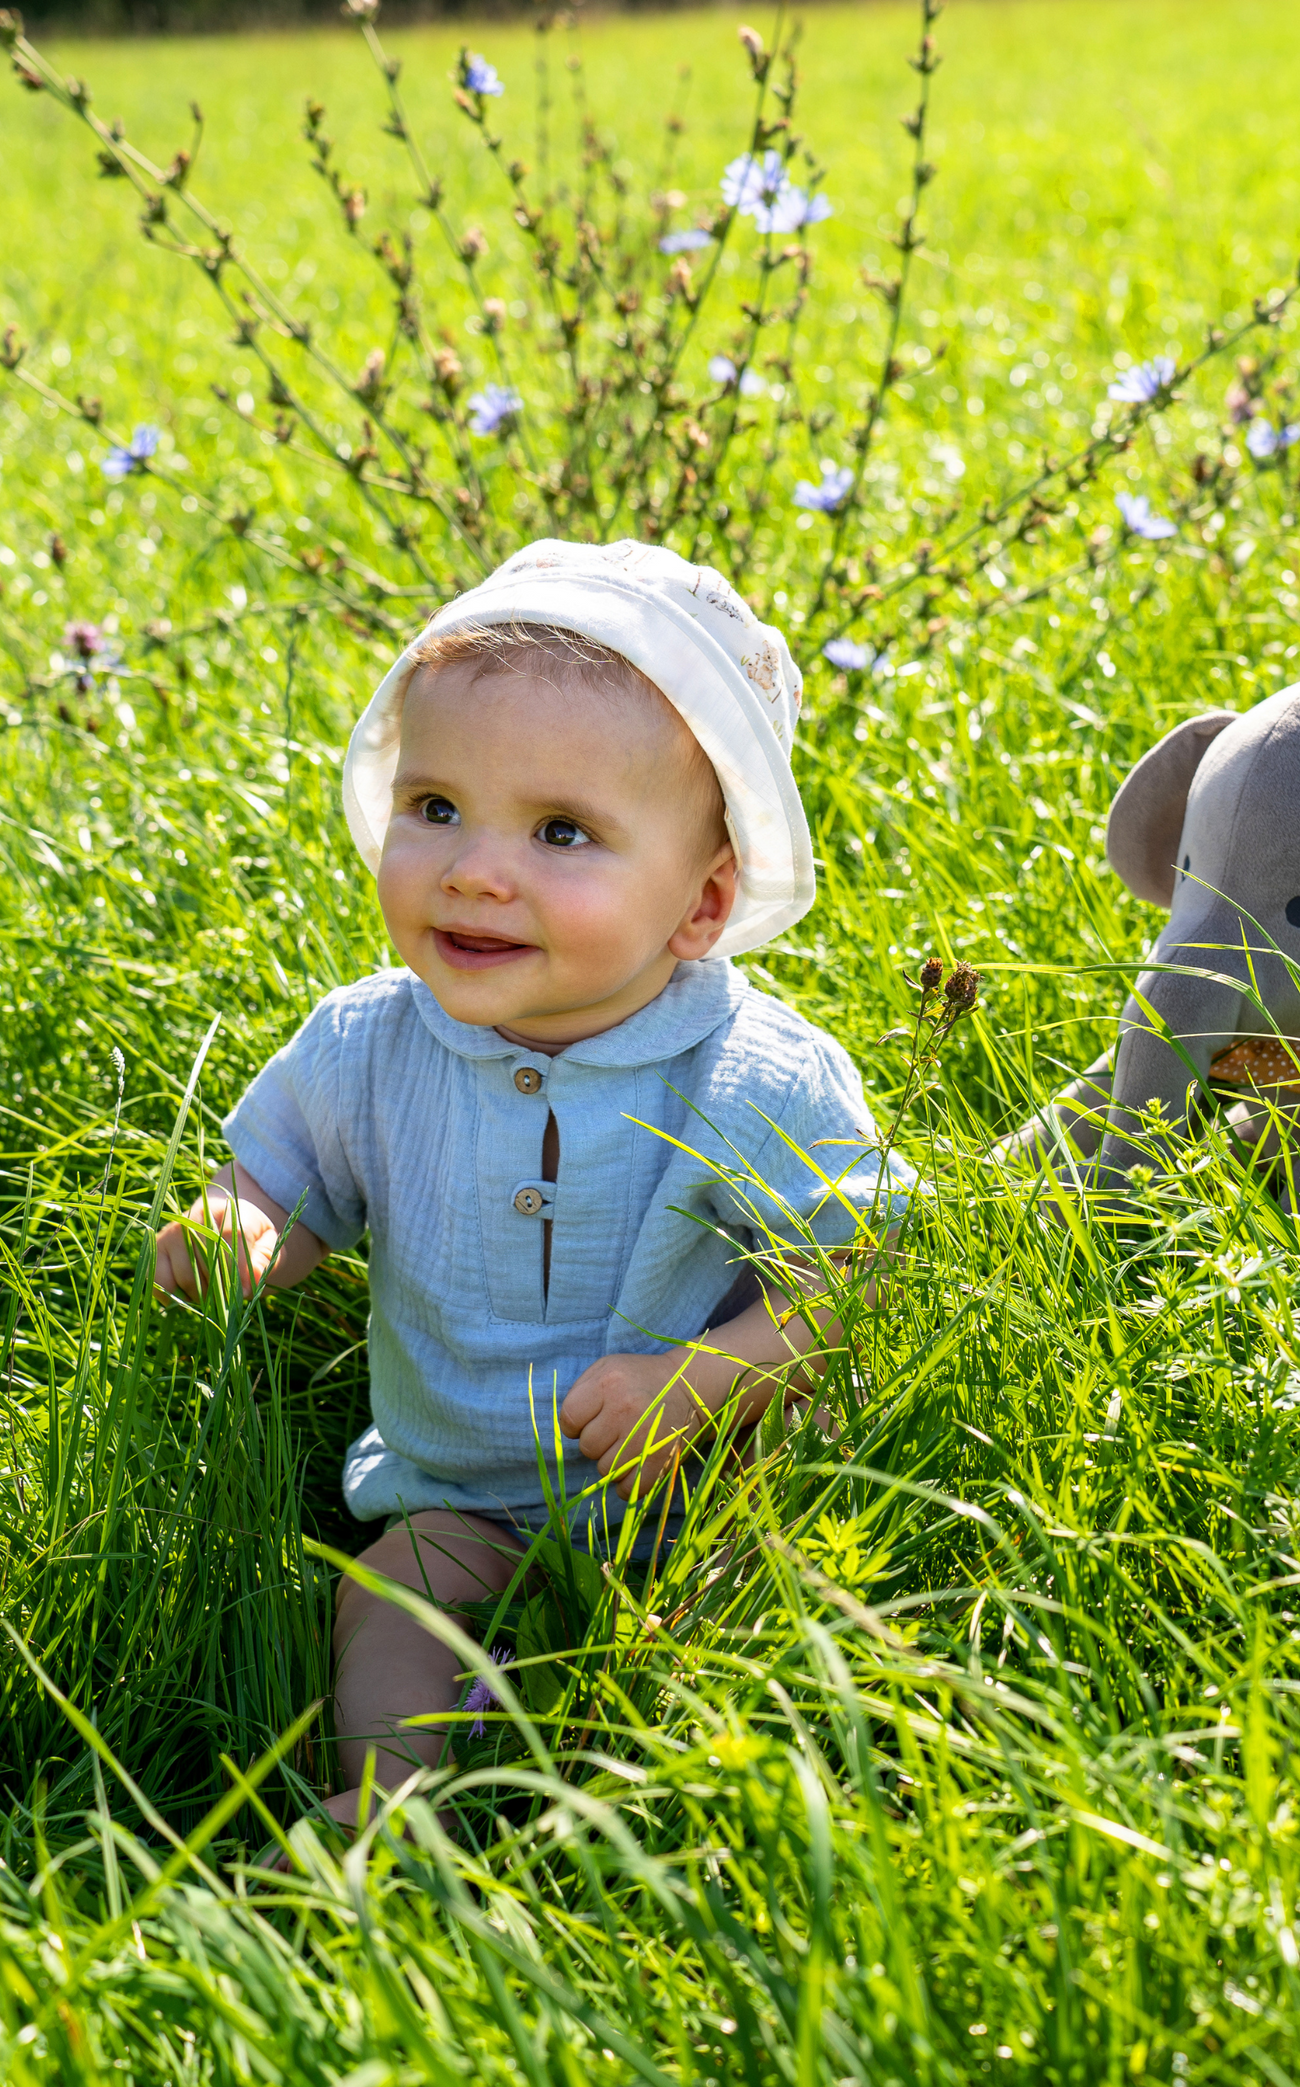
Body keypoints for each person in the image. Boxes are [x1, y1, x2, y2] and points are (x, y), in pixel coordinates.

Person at [154, 537, 910, 1832]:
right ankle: (390, 1804)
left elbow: (863, 1264)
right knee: (391, 1590)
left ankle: (708, 1779)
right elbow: (282, 1183)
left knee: (758, 1594)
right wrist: (241, 1230)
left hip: (698, 1474)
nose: (477, 868)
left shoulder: (753, 1076)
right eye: (436, 806)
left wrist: (706, 1378)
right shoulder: (368, 1045)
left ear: (701, 904)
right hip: (459, 1486)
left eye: (560, 831)